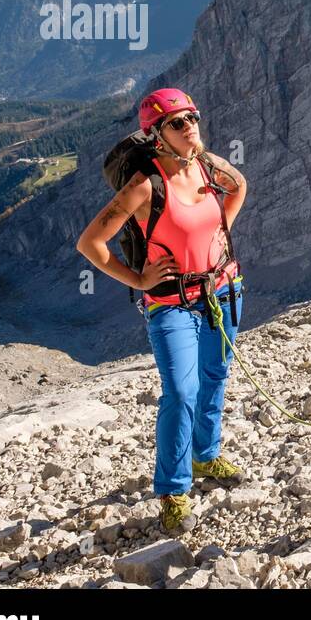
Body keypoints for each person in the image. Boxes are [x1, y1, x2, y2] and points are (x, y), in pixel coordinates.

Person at [76, 88, 248, 535]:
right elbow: (91, 243)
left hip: (223, 290)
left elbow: (240, 185)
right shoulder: (143, 186)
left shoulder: (208, 166)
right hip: (171, 302)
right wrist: (138, 280)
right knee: (181, 391)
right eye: (177, 122)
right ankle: (173, 491)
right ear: (156, 135)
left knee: (215, 376)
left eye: (192, 116)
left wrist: (217, 242)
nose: (189, 124)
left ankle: (205, 457)